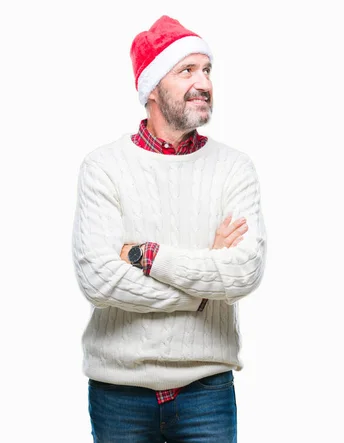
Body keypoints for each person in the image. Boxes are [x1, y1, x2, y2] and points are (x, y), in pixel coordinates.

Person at [71, 15, 267, 442]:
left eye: (208, 70)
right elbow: (99, 280)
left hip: (207, 392)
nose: (205, 83)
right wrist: (201, 288)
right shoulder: (104, 168)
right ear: (152, 89)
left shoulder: (234, 169)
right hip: (119, 393)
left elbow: (244, 271)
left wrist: (150, 256)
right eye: (187, 70)